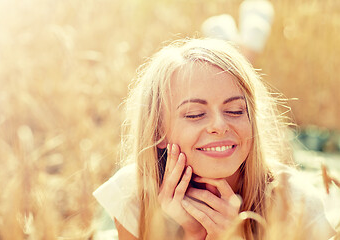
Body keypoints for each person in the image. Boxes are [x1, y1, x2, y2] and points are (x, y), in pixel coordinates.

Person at [93, 38, 335, 239]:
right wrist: (193, 235)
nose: (220, 126)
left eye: (235, 111)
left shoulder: (296, 204)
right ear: (159, 133)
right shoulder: (133, 195)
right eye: (195, 114)